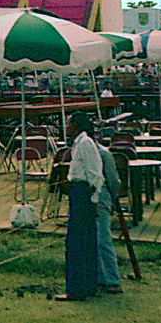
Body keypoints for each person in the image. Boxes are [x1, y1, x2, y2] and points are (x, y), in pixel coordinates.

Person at [56, 112, 103, 301]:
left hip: (84, 194)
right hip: (77, 191)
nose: (66, 128)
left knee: (75, 242)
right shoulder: (78, 145)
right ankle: (88, 285)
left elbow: (95, 174)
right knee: (86, 240)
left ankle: (76, 289)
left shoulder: (86, 144)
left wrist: (94, 200)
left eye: (68, 125)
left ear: (76, 125)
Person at [96, 140, 123, 294]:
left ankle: (112, 278)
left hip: (102, 194)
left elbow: (112, 180)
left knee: (103, 237)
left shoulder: (104, 154)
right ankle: (99, 275)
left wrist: (112, 197)